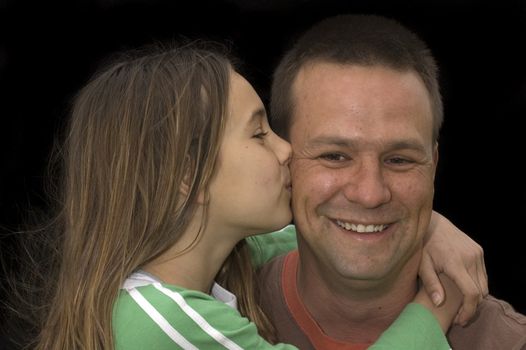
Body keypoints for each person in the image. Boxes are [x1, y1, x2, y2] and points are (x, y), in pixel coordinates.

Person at [7, 41, 480, 350]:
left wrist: (428, 226)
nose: (285, 150)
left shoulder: (203, 267)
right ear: (187, 176)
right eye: (258, 135)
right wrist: (437, 303)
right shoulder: (163, 324)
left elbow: (320, 238)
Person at [258, 13, 526, 350]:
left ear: (434, 166)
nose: (370, 194)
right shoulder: (209, 308)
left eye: (399, 160)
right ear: (282, 159)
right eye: (335, 156)